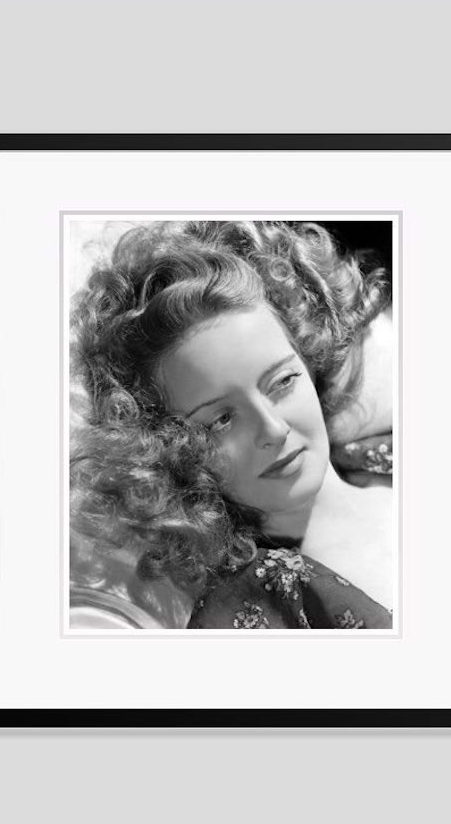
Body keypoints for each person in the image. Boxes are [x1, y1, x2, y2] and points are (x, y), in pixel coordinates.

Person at [70, 220, 392, 629]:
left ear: (310, 358)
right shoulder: (245, 616)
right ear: (169, 448)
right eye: (221, 419)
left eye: (282, 381)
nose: (273, 429)